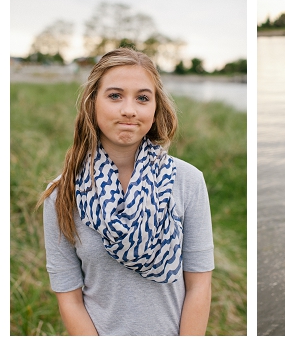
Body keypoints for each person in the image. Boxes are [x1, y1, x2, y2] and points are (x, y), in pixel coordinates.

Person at [38, 48, 215, 336]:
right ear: (92, 102)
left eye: (142, 98)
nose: (129, 109)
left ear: (156, 107)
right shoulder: (61, 194)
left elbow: (199, 284)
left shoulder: (188, 181)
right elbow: (69, 298)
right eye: (115, 95)